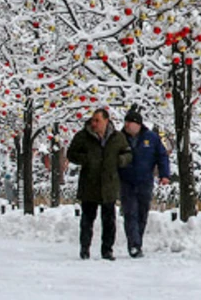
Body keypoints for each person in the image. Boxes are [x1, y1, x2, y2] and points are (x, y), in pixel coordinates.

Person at [66, 108, 131, 261]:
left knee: (109, 220)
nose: (94, 123)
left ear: (106, 121)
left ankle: (107, 250)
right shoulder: (83, 136)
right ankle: (84, 248)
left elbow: (128, 153)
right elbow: (71, 154)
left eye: (97, 120)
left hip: (109, 184)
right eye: (93, 120)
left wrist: (121, 161)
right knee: (87, 219)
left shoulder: (117, 137)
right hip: (89, 183)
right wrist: (86, 159)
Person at [118, 108, 171, 259]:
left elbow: (162, 156)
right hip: (126, 181)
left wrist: (164, 175)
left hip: (145, 181)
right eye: (125, 122)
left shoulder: (151, 138)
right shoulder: (119, 138)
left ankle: (138, 241)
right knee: (130, 213)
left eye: (130, 122)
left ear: (138, 124)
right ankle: (134, 245)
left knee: (142, 213)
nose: (127, 125)